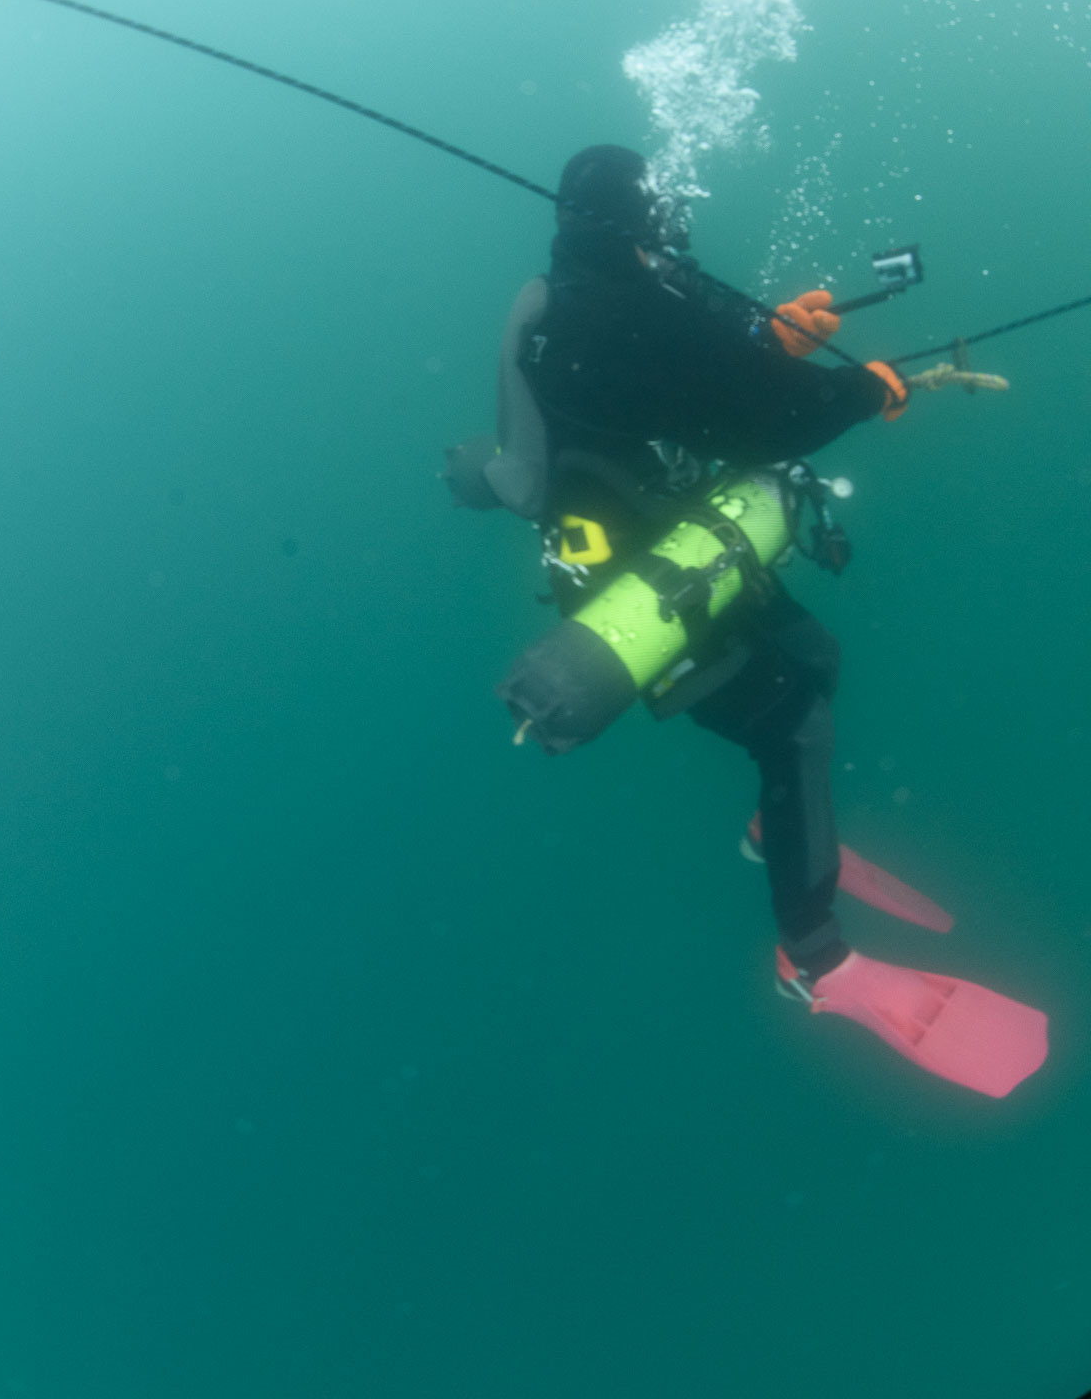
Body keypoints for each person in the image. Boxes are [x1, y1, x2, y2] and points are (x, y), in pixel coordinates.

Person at [446, 144, 1047, 1098]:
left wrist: (775, 338)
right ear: (640, 220)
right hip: (643, 594)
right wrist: (864, 391)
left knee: (814, 654)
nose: (673, 234)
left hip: (683, 549)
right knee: (795, 722)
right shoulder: (643, 306)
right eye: (662, 217)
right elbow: (764, 424)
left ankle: (780, 829)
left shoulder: (543, 303)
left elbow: (525, 475)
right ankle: (812, 959)